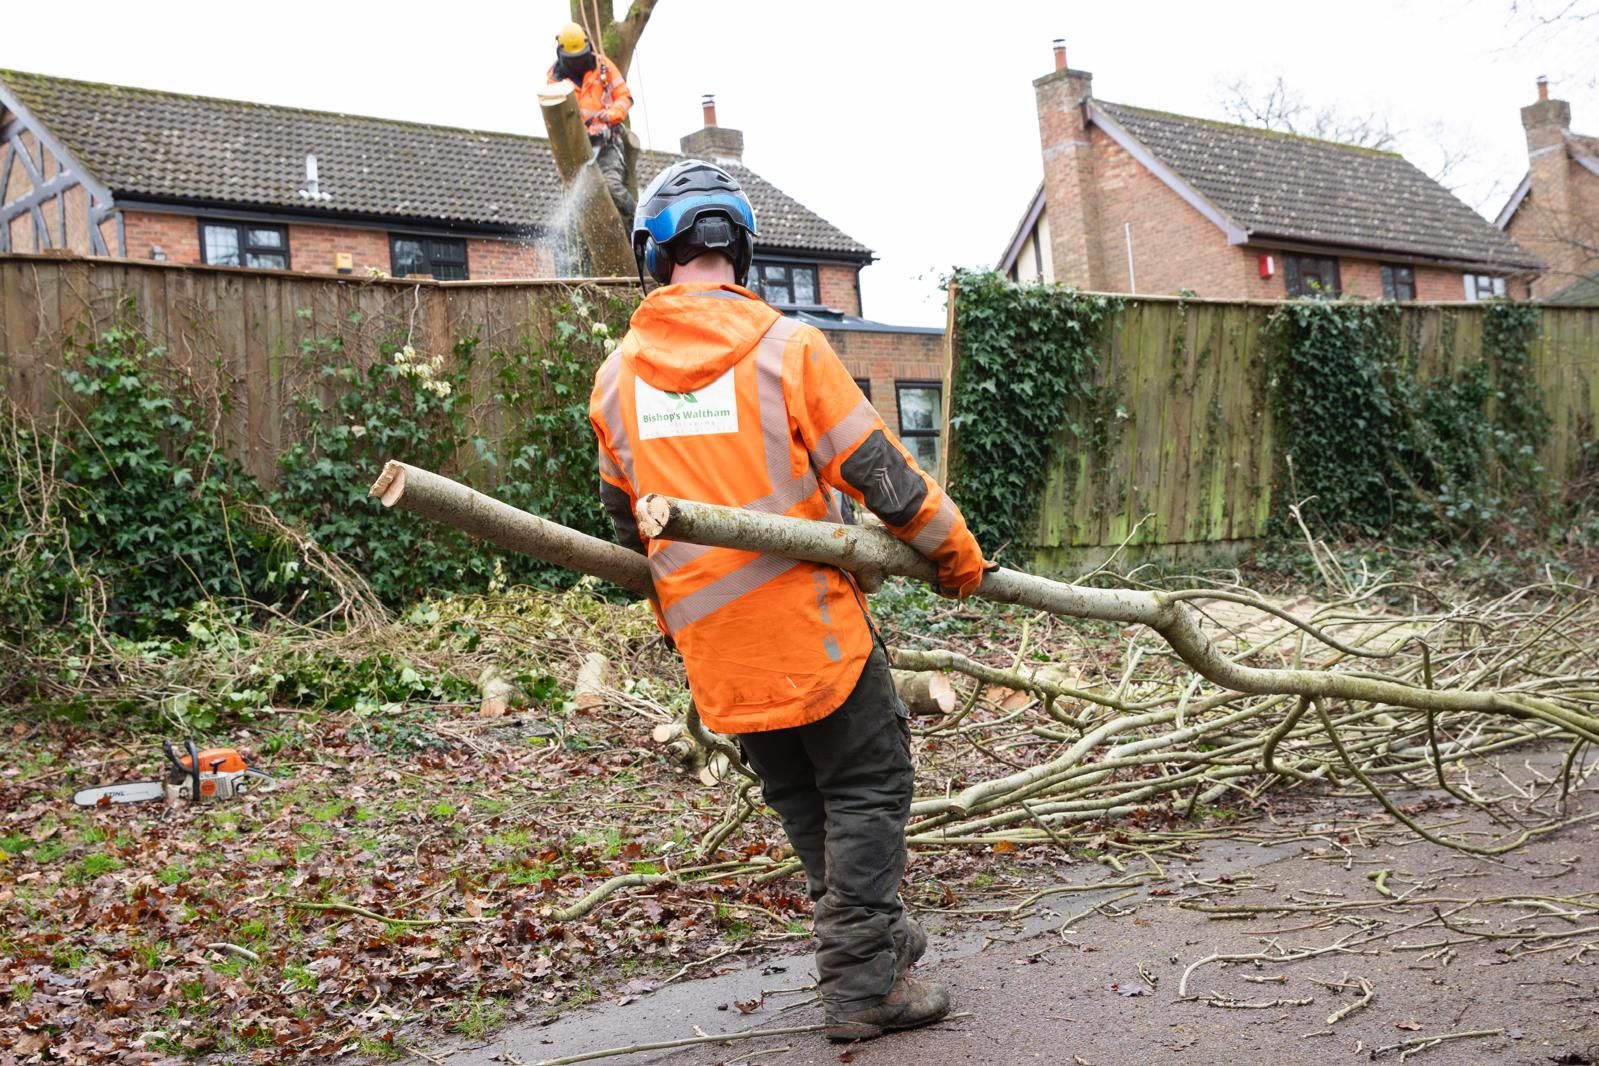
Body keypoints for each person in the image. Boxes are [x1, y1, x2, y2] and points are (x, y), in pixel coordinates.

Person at [588, 159, 990, 1042]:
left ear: (655, 257)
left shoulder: (614, 378)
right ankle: (861, 986)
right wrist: (957, 556)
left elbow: (627, 525)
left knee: (807, 802)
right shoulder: (786, 347)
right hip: (812, 631)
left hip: (717, 650)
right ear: (743, 249)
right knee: (867, 785)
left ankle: (873, 940)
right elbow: (881, 474)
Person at [547, 21, 635, 218]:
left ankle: (640, 218)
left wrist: (612, 113)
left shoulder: (603, 66)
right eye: (573, 59)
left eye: (580, 58)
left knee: (612, 188)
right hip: (576, 148)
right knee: (579, 206)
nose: (578, 63)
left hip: (607, 143)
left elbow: (624, 96)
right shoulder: (555, 79)